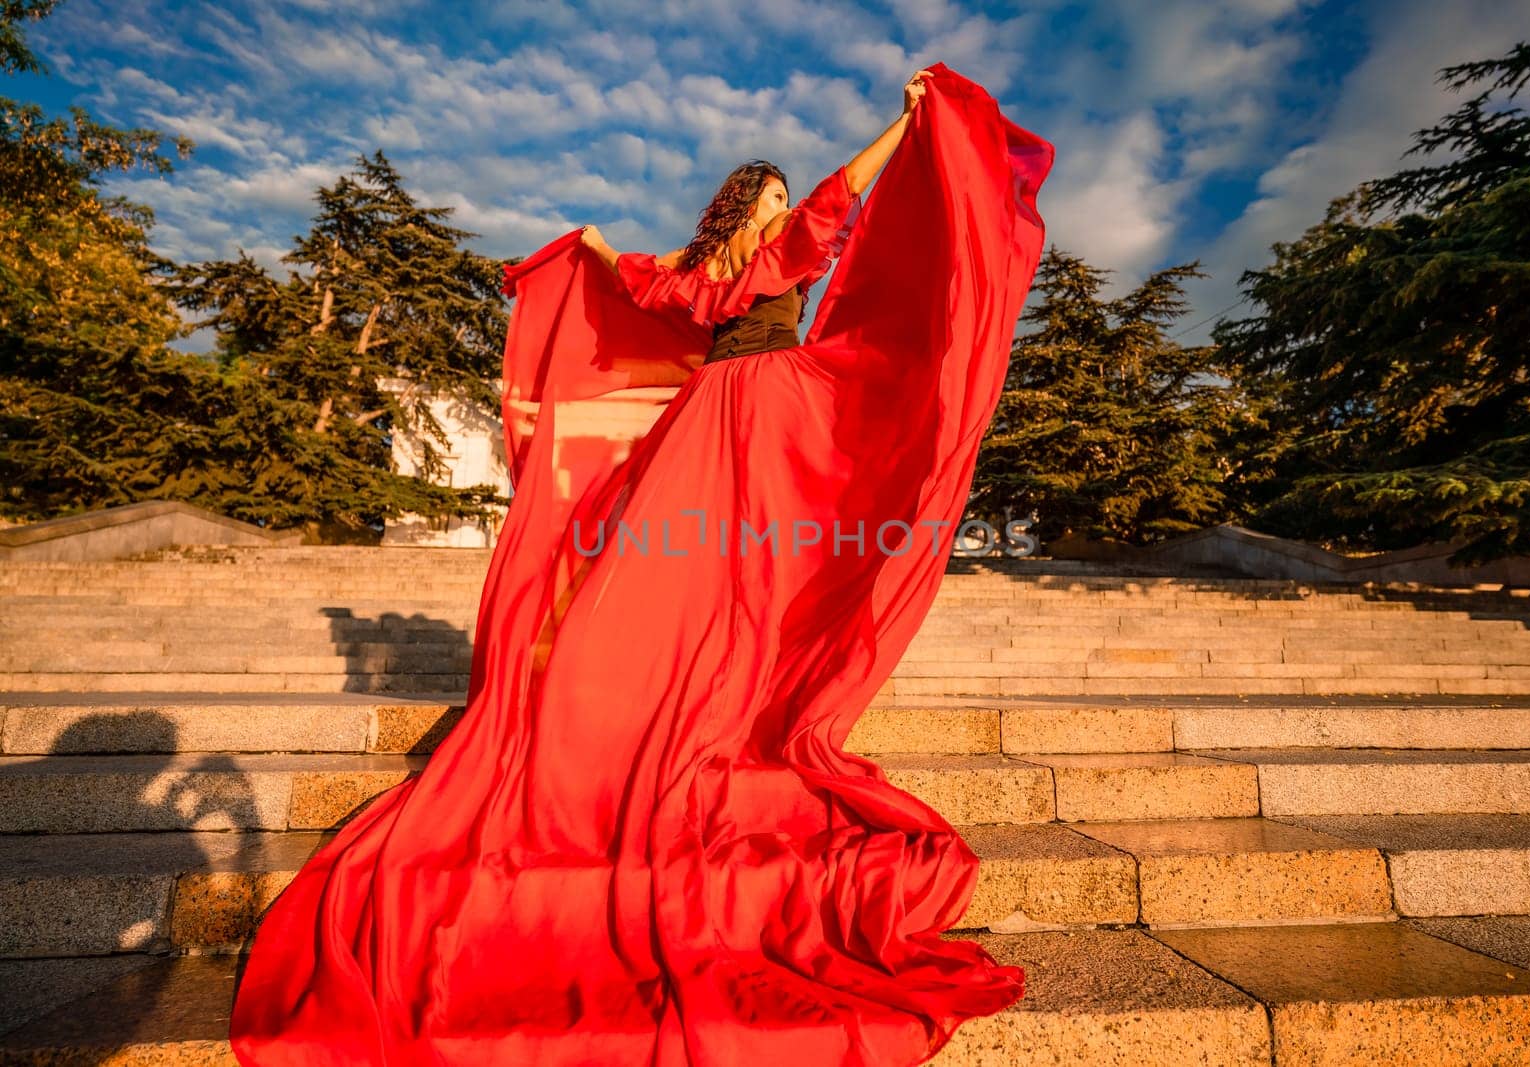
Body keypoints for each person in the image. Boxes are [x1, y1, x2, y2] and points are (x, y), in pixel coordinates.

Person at [229, 61, 1055, 1066]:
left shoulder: (795, 252)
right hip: (709, 421)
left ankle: (739, 692)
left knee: (763, 572)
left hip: (776, 413)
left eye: (786, 194)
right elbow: (639, 283)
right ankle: (630, 696)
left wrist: (900, 124)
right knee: (668, 577)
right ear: (738, 203)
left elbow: (845, 196)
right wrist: (589, 245)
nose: (784, 202)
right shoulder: (704, 275)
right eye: (769, 191)